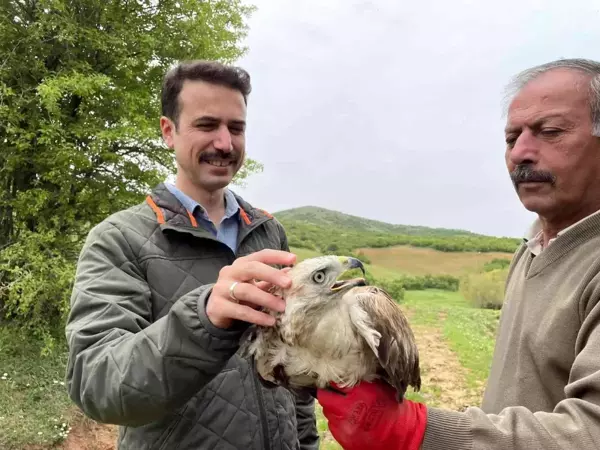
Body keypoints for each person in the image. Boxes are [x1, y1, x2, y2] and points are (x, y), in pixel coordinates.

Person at [316, 57, 600, 449]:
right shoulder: (534, 247)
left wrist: (418, 430)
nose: (520, 153)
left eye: (549, 131)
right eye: (511, 138)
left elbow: (591, 433)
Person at [65, 60, 319, 450]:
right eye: (206, 125)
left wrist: (305, 443)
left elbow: (293, 364)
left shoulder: (268, 231)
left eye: (236, 128)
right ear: (169, 132)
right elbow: (97, 383)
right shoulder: (118, 240)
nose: (224, 142)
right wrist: (204, 320)